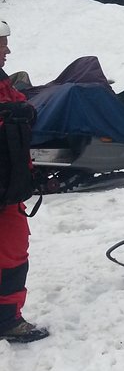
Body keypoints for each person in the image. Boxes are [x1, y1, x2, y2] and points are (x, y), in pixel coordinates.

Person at [0, 20, 47, 343]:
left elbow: (19, 106)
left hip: (9, 190)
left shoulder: (5, 86)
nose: (8, 50)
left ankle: (7, 318)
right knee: (11, 253)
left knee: (14, 252)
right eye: (3, 43)